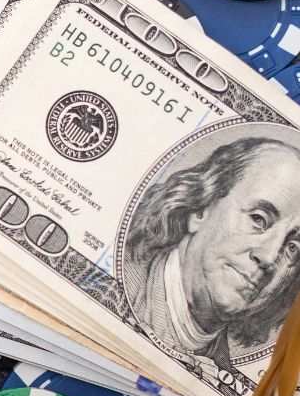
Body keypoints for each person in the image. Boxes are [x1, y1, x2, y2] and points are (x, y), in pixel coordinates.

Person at [125, 137, 300, 366]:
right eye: (258, 219)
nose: (268, 257)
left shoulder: (224, 370)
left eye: (293, 248)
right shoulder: (117, 288)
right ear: (201, 208)